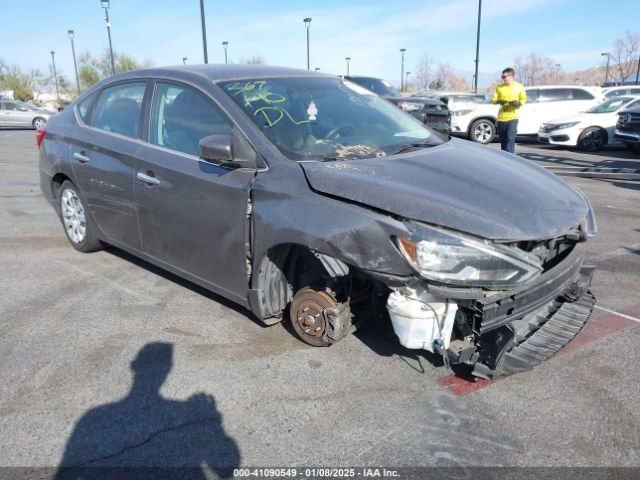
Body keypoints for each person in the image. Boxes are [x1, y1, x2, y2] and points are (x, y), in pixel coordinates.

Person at [492, 67, 527, 153]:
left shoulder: (519, 86)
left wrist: (518, 103)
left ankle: (511, 157)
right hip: (502, 117)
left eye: (505, 77)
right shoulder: (500, 87)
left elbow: (523, 99)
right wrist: (498, 101)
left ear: (511, 76)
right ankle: (504, 157)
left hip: (513, 116)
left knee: (510, 139)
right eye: (502, 77)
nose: (503, 78)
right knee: (503, 140)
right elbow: (493, 99)